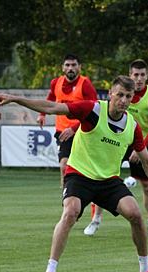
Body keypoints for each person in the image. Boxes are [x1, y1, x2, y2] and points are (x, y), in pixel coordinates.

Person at [0, 75, 148, 272]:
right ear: (111, 93)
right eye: (120, 94)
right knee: (70, 212)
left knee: (135, 214)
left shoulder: (132, 126)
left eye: (128, 96)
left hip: (108, 181)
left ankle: (146, 270)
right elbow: (51, 107)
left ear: (132, 99)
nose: (123, 100)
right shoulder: (92, 109)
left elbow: (147, 162)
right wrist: (14, 98)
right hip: (79, 175)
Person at [84, 59, 148, 238]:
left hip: (139, 143)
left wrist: (141, 147)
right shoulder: (119, 94)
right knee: (103, 177)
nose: (139, 79)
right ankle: (95, 220)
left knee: (147, 185)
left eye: (142, 75)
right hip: (115, 138)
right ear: (130, 75)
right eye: (135, 75)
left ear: (147, 76)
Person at [37, 54, 98, 187]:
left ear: (79, 67)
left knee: (89, 171)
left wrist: (74, 128)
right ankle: (67, 201)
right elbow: (51, 97)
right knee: (64, 166)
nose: (70, 68)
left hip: (83, 131)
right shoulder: (56, 82)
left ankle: (93, 203)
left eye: (74, 65)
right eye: (67, 65)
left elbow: (95, 109)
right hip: (63, 132)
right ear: (62, 68)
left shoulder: (85, 84)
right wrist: (42, 114)